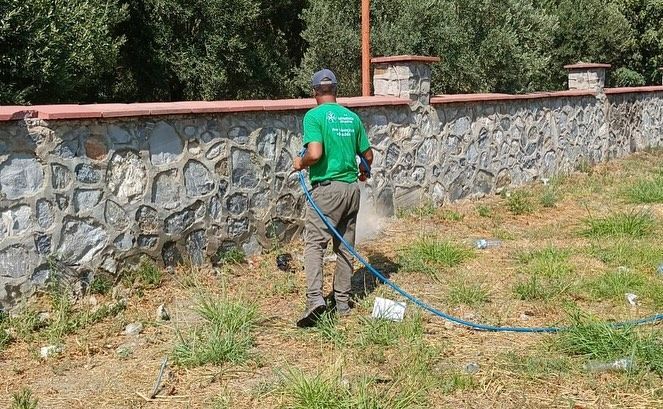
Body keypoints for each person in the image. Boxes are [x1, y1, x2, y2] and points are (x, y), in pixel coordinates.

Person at [293, 68, 373, 328]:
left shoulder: (313, 116)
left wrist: (300, 163)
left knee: (315, 244)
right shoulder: (351, 117)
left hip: (327, 190)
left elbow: (315, 153)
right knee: (345, 248)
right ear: (336, 90)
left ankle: (315, 299)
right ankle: (342, 304)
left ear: (315, 91)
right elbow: (368, 156)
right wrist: (363, 172)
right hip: (351, 190)